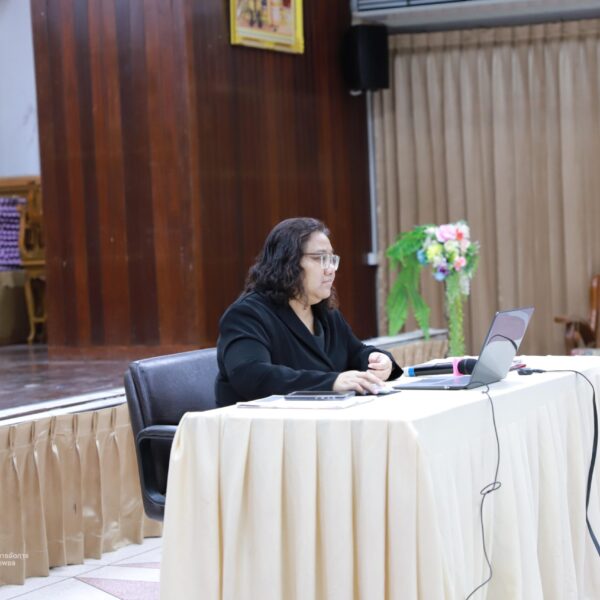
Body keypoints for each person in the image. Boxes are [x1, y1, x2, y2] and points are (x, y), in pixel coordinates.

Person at [215, 217, 403, 407]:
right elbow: (251, 375)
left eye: (332, 260)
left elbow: (356, 352)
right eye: (321, 259)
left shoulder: (325, 311)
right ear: (287, 262)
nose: (330, 269)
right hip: (259, 421)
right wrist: (331, 383)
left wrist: (380, 361)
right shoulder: (247, 314)